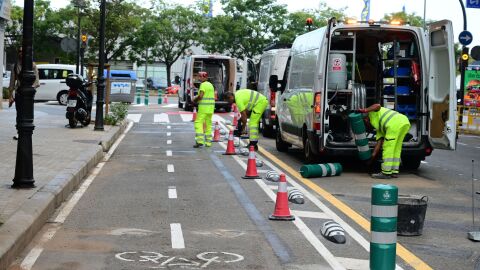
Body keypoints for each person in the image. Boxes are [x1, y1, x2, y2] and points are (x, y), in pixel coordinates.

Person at [358, 104, 411, 179]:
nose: (368, 126)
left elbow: (377, 105)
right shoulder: (379, 127)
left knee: (388, 148)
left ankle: (386, 173)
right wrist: (371, 158)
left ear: (366, 120)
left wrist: (364, 110)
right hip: (404, 122)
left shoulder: (372, 113)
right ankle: (394, 171)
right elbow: (378, 144)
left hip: (394, 124)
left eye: (366, 125)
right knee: (396, 148)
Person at [8, 47, 40, 140]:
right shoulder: (15, 66)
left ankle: (28, 131)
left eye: (23, 51)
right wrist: (10, 96)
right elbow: (12, 82)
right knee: (19, 113)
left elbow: (37, 82)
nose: (21, 53)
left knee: (28, 114)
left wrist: (29, 90)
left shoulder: (32, 65)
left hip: (29, 95)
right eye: (19, 51)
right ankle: (19, 132)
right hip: (19, 93)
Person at [192, 71, 215, 148]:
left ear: (203, 77)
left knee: (198, 123)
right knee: (208, 124)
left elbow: (201, 96)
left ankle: (199, 141)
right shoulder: (211, 85)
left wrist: (194, 100)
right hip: (210, 108)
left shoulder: (203, 85)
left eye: (199, 76)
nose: (199, 78)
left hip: (203, 108)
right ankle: (208, 143)